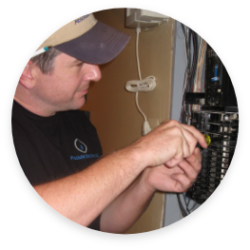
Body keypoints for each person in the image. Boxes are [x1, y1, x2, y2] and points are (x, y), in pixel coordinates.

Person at [12, 13, 207, 233]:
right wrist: (139, 153)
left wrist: (148, 180)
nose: (96, 74)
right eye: (79, 63)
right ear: (28, 72)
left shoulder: (79, 124)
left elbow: (101, 221)